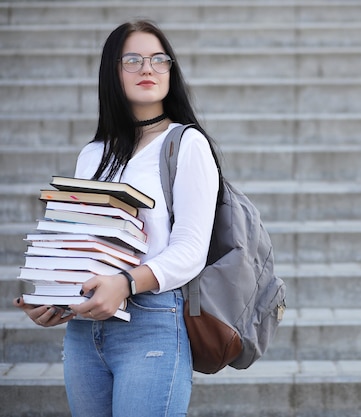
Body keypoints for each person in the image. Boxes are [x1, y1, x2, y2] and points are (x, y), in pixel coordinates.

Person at [14, 20, 221, 416]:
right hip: (83, 329)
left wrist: (124, 284)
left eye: (160, 60)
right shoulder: (94, 153)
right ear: (112, 70)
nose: (148, 68)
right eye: (133, 60)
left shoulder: (186, 144)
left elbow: (192, 249)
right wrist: (57, 301)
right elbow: (82, 243)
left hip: (151, 322)